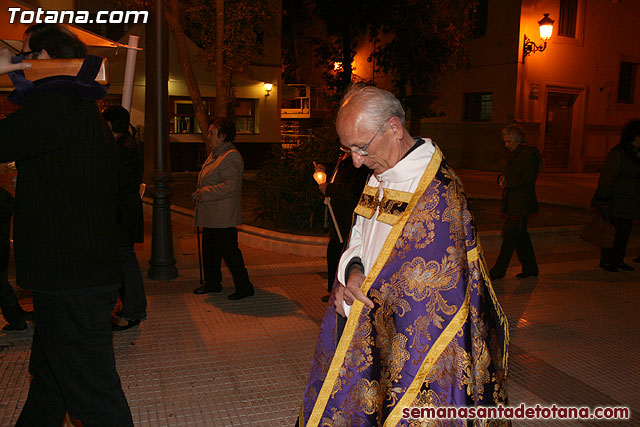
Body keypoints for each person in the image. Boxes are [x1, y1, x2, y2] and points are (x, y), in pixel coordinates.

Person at [299, 85, 509, 426]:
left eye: (361, 147)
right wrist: (352, 273)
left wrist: (354, 301)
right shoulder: (380, 173)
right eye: (348, 149)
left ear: (394, 128)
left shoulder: (437, 193)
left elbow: (424, 293)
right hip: (371, 320)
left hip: (416, 347)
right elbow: (359, 235)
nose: (356, 161)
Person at [0, 24, 133, 425]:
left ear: (44, 58)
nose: (18, 61)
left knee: (93, 396)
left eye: (23, 53)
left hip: (72, 278)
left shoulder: (57, 103)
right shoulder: (72, 104)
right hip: (72, 274)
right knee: (51, 382)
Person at [192, 118, 255, 300]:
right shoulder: (216, 153)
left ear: (223, 136)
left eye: (212, 133)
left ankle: (244, 287)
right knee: (210, 251)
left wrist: (203, 193)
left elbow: (230, 186)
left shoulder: (230, 156)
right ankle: (213, 283)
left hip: (223, 217)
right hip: (213, 216)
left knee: (230, 254)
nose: (208, 136)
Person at [103, 106, 147, 331]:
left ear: (110, 125)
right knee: (125, 262)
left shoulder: (123, 149)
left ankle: (133, 311)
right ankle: (132, 308)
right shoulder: (127, 145)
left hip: (122, 212)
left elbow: (114, 182)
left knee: (125, 263)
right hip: (125, 211)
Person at [314, 153, 369, 302]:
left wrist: (329, 188)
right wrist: (322, 168)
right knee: (333, 254)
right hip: (337, 219)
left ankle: (341, 291)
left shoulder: (358, 163)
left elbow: (353, 190)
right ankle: (333, 290)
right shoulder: (344, 159)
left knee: (341, 255)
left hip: (347, 221)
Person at [489, 124, 541, 280]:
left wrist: (508, 182)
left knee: (510, 237)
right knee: (520, 237)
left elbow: (528, 178)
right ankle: (531, 268)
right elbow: (511, 173)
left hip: (522, 204)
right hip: (514, 203)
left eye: (509, 142)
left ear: (518, 140)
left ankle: (498, 271)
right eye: (505, 142)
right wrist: (502, 178)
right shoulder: (516, 153)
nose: (506, 145)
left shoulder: (529, 154)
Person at [591, 119, 640, 272]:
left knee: (624, 233)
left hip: (630, 202)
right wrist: (603, 199)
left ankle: (618, 259)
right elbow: (607, 177)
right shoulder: (619, 153)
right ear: (635, 136)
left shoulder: (635, 154)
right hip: (617, 201)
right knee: (611, 232)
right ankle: (607, 261)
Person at [0, 163, 28, 332]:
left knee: (2, 288)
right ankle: (17, 320)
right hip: (1, 248)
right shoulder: (4, 197)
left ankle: (17, 321)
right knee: (3, 287)